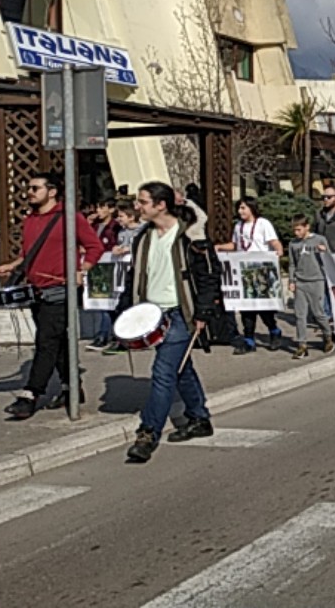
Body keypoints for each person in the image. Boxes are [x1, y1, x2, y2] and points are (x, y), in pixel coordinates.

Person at [118, 182, 222, 463]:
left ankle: (148, 433)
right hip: (152, 314)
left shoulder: (191, 235)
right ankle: (199, 418)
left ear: (160, 205)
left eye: (142, 201)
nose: (137, 207)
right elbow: (136, 275)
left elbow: (210, 274)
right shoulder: (144, 237)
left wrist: (202, 313)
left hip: (181, 313)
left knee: (163, 372)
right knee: (180, 367)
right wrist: (125, 310)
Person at [0, 173, 105, 418]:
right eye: (29, 187)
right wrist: (13, 265)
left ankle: (31, 393)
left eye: (35, 188)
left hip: (61, 290)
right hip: (37, 290)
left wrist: (82, 269)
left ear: (52, 191)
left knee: (46, 341)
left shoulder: (70, 218)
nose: (29, 192)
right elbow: (30, 253)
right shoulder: (30, 220)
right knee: (57, 342)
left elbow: (95, 247)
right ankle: (70, 387)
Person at [216, 197, 285, 354]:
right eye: (239, 208)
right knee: (247, 308)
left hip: (261, 270)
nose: (240, 212)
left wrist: (278, 250)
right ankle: (249, 341)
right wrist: (220, 247)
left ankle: (274, 331)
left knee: (264, 307)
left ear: (251, 208)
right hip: (243, 270)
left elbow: (273, 241)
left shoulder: (263, 223)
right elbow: (235, 245)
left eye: (243, 208)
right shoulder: (238, 226)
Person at [287, 215, 335, 360]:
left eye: (299, 230)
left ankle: (328, 336)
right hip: (300, 281)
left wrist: (324, 251)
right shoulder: (293, 244)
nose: (297, 233)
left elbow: (329, 258)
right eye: (295, 230)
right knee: (300, 315)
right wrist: (291, 280)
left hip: (317, 280)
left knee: (318, 313)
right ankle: (302, 344)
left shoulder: (319, 239)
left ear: (307, 227)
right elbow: (292, 263)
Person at [101, 200, 145, 356]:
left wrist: (129, 249)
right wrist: (116, 249)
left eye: (121, 216)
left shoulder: (143, 231)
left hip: (137, 273)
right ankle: (121, 338)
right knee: (119, 305)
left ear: (131, 217)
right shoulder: (121, 233)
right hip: (123, 273)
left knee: (131, 304)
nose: (118, 219)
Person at [85, 199, 121, 351]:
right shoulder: (95, 226)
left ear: (111, 210)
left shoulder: (115, 227)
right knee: (102, 302)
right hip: (98, 266)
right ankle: (110, 333)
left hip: (112, 265)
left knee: (108, 303)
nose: (98, 211)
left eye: (102, 207)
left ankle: (104, 335)